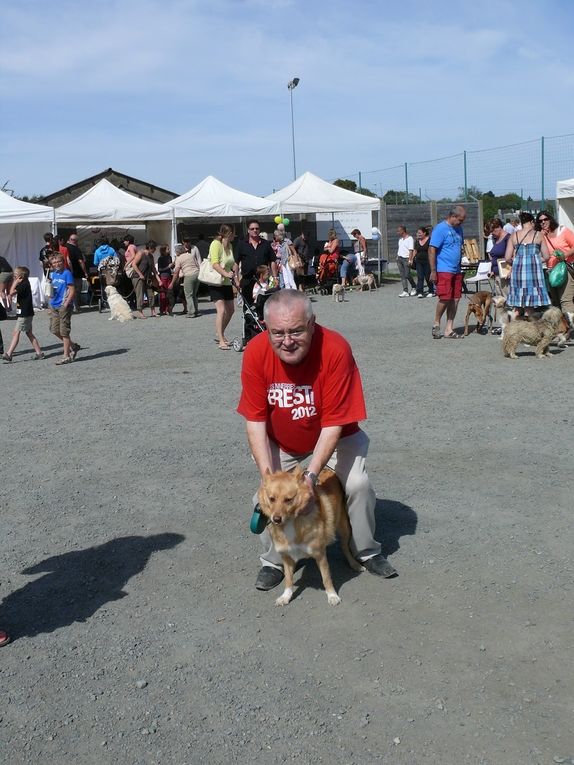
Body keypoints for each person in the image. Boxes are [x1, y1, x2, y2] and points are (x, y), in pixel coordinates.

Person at [237, 289, 397, 591]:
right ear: (265, 326)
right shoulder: (256, 351)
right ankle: (274, 560)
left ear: (312, 323)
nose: (287, 341)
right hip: (283, 442)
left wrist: (310, 476)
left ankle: (367, 551)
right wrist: (267, 478)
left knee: (357, 486)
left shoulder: (335, 349)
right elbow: (255, 421)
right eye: (278, 333)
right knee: (263, 499)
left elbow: (334, 423)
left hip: (337, 439)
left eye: (296, 331)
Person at [428, 206, 467, 339]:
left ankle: (449, 328)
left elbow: (459, 246)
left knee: (455, 299)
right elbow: (432, 250)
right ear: (453, 216)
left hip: (456, 269)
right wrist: (433, 270)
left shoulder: (459, 229)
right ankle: (436, 323)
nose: (461, 223)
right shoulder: (440, 229)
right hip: (443, 269)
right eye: (460, 220)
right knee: (445, 298)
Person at [504, 212, 550, 317]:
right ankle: (529, 329)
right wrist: (535, 260)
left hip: (518, 273)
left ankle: (512, 329)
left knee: (516, 306)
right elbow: (546, 256)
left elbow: (507, 257)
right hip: (533, 274)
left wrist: (518, 261)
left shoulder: (513, 236)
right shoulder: (539, 235)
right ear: (532, 222)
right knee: (530, 307)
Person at [535, 210, 574, 317]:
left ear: (550, 219)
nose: (543, 222)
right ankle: (563, 328)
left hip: (565, 270)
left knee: (565, 300)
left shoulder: (563, 231)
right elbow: (538, 253)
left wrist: (565, 255)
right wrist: (540, 237)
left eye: (545, 219)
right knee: (556, 303)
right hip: (551, 272)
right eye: (540, 221)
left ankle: (572, 328)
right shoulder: (540, 236)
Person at [2, 267, 44, 362]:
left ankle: (9, 354)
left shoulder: (23, 285)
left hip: (25, 313)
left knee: (16, 333)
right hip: (26, 312)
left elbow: (11, 292)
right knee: (29, 333)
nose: (14, 275)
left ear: (20, 277)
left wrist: (15, 283)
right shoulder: (24, 283)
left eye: (15, 274)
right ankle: (39, 353)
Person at [234, 219, 277, 304]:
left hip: (263, 280)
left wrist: (275, 277)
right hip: (247, 281)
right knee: (248, 307)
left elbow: (272, 261)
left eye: (257, 228)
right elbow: (236, 263)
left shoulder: (266, 244)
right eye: (252, 229)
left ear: (259, 230)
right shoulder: (241, 244)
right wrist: (236, 280)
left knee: (264, 305)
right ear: (248, 230)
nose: (255, 230)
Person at [48, 253, 81, 365]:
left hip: (63, 306)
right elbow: (51, 290)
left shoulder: (67, 273)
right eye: (54, 263)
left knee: (64, 331)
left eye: (59, 262)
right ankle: (73, 346)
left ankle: (66, 356)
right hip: (54, 305)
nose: (57, 264)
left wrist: (66, 304)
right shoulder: (52, 274)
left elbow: (72, 290)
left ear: (63, 262)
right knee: (54, 329)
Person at [208, 224, 236, 349]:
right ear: (228, 233)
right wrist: (226, 274)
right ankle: (221, 341)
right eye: (233, 233)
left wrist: (235, 275)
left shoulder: (230, 246)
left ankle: (220, 333)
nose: (235, 235)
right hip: (216, 282)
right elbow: (214, 263)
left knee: (231, 310)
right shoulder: (215, 244)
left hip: (226, 282)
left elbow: (231, 263)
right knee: (221, 310)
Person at [171, 237, 201, 317]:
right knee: (194, 294)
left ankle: (191, 312)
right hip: (197, 274)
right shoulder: (190, 255)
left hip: (189, 276)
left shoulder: (179, 258)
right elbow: (197, 264)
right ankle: (196, 310)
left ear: (178, 252)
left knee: (188, 295)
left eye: (176, 251)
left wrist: (172, 283)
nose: (175, 253)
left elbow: (176, 272)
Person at [130, 240, 158, 318]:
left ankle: (153, 311)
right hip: (137, 277)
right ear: (149, 247)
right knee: (140, 295)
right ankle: (140, 312)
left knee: (151, 294)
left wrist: (158, 279)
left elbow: (153, 269)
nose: (155, 250)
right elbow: (134, 264)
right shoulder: (140, 253)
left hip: (147, 278)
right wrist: (140, 274)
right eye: (154, 248)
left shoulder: (151, 256)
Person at [66, 233, 88, 312]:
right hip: (76, 273)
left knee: (68, 290)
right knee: (76, 290)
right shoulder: (76, 249)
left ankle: (69, 305)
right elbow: (80, 261)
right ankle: (75, 306)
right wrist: (85, 272)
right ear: (75, 241)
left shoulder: (65, 247)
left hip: (66, 272)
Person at [488, 219, 511, 296]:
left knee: (506, 299)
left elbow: (512, 256)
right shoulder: (496, 239)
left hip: (505, 275)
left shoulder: (508, 238)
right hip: (496, 274)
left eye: (492, 231)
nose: (491, 233)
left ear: (499, 227)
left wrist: (511, 271)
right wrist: (492, 270)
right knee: (499, 302)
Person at [396, 226, 416, 297]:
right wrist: (397, 256)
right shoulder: (400, 239)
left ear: (403, 231)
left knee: (407, 275)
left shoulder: (410, 239)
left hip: (406, 259)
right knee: (402, 276)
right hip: (399, 259)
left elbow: (411, 250)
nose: (397, 232)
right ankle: (405, 291)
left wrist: (410, 259)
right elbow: (400, 248)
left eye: (399, 231)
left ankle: (414, 286)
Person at [413, 226, 433, 298]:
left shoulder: (430, 240)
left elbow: (431, 251)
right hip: (419, 261)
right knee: (420, 277)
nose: (418, 234)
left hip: (428, 261)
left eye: (420, 233)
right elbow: (415, 250)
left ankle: (431, 291)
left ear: (424, 233)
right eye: (418, 233)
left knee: (428, 277)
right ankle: (420, 292)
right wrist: (411, 259)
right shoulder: (417, 241)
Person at [157, 245, 175, 316]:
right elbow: (160, 269)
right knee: (163, 294)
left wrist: (173, 264)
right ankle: (162, 309)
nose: (169, 250)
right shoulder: (160, 259)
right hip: (163, 277)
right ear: (163, 251)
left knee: (169, 294)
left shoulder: (169, 257)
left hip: (169, 276)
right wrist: (168, 266)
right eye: (168, 249)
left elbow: (172, 268)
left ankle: (168, 309)